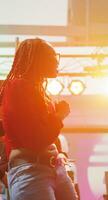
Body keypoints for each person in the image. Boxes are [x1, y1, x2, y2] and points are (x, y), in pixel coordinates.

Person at [0, 38, 78, 200]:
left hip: (53, 167)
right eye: (51, 56)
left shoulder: (38, 91)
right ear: (38, 60)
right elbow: (34, 140)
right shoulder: (18, 88)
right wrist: (58, 116)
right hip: (31, 170)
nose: (56, 61)